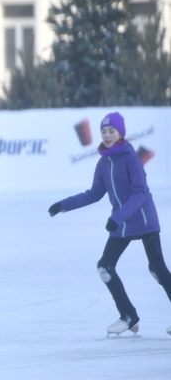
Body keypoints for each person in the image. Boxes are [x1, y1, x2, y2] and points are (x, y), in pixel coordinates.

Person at [48, 112, 171, 338]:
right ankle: (128, 316)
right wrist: (63, 205)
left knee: (157, 269)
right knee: (105, 267)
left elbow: (140, 193)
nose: (107, 135)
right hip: (122, 224)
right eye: (104, 131)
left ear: (120, 133)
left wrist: (118, 217)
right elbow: (94, 193)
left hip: (143, 220)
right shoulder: (104, 162)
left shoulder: (130, 158)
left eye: (111, 131)